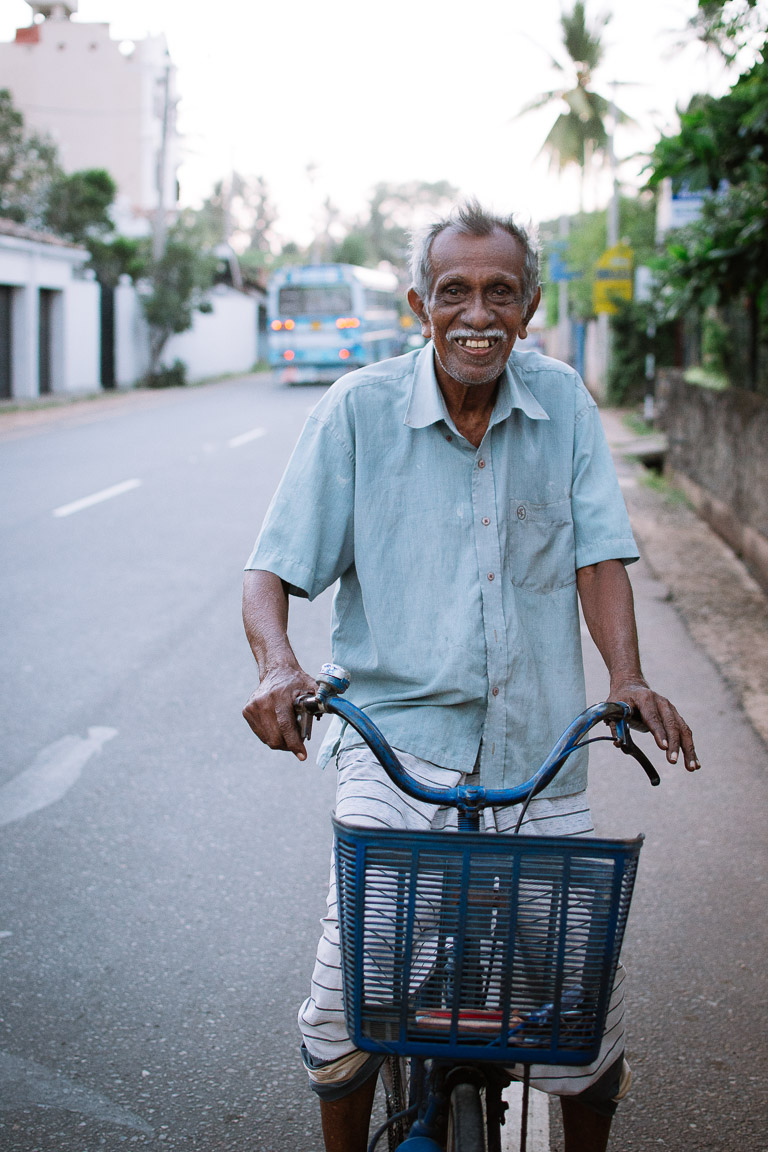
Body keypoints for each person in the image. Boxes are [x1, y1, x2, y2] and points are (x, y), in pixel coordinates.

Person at [242, 201, 699, 1152]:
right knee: (344, 1014)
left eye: (500, 292)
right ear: (421, 303)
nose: (477, 313)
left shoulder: (563, 399)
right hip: (394, 749)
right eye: (455, 291)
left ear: (529, 308)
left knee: (579, 1020)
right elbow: (272, 570)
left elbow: (598, 555)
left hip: (539, 752)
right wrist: (279, 665)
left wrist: (628, 674)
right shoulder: (359, 409)